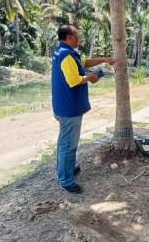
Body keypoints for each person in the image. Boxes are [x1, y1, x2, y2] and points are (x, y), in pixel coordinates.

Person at [52, 24, 117, 194]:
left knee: (65, 141)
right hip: (69, 107)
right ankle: (65, 180)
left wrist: (104, 59)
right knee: (68, 143)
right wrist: (91, 77)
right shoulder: (66, 55)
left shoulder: (64, 52)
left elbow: (85, 62)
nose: (79, 38)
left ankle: (66, 168)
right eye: (77, 35)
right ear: (69, 37)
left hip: (64, 104)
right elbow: (73, 80)